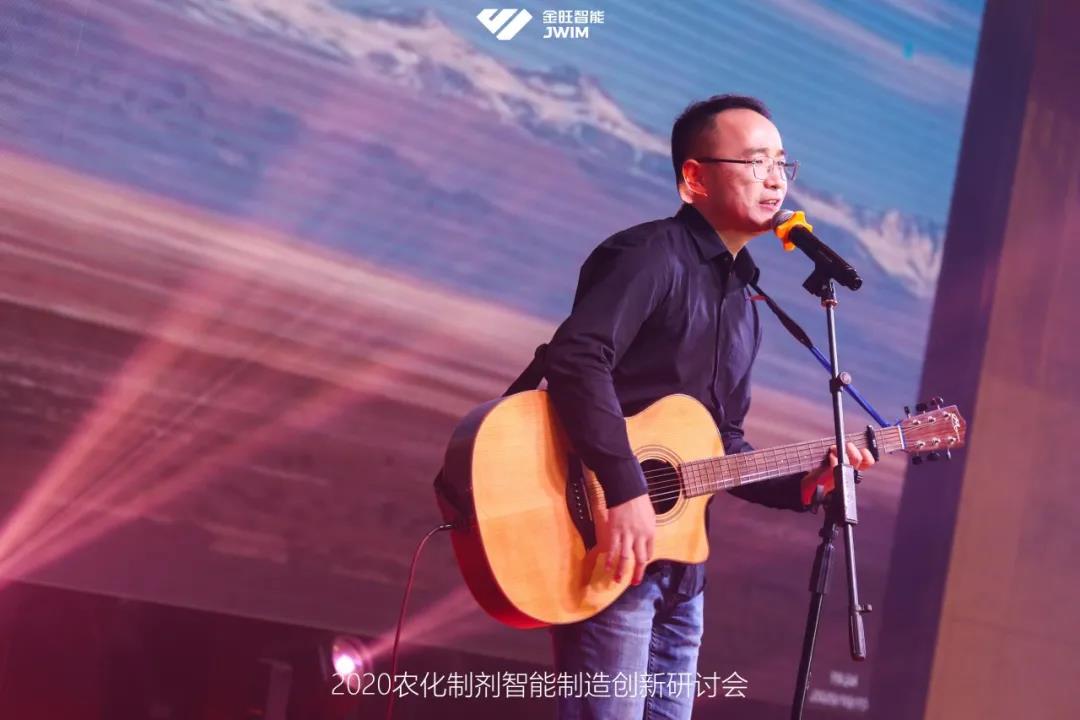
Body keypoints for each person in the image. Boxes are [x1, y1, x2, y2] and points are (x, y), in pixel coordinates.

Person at [543, 94, 876, 720]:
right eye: (755, 161)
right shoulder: (649, 255)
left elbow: (723, 445)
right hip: (609, 545)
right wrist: (625, 488)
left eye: (781, 163)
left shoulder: (746, 301)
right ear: (695, 177)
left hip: (683, 571)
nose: (775, 179)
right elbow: (577, 359)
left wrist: (805, 484)